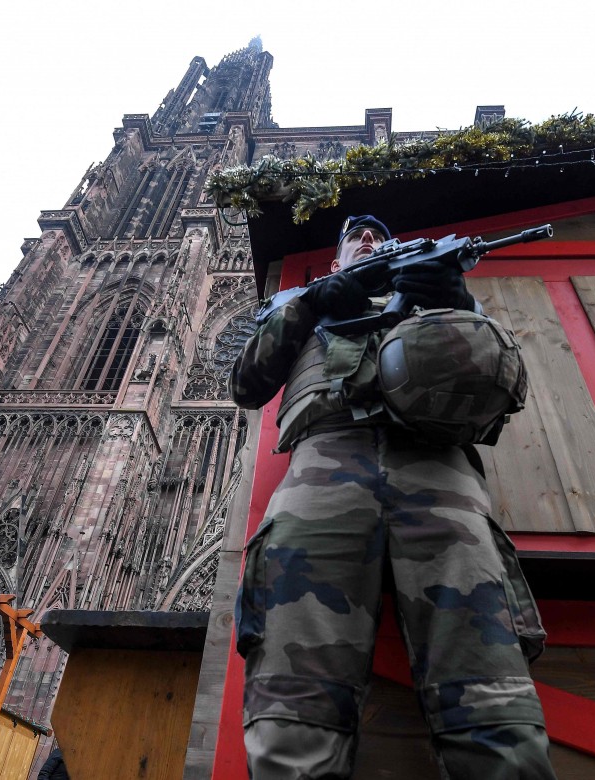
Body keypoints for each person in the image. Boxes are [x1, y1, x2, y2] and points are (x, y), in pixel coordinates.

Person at [230, 216, 557, 779]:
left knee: (491, 689)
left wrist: (460, 306)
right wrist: (309, 306)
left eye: (380, 238)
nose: (371, 242)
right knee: (294, 696)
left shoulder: (431, 296)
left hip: (438, 466)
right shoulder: (302, 305)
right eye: (356, 238)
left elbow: (500, 385)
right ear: (335, 263)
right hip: (323, 462)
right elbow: (246, 383)